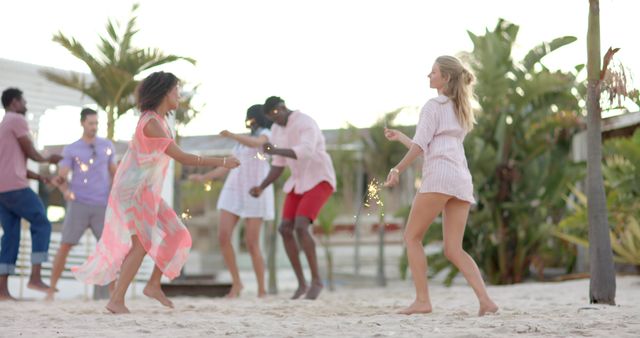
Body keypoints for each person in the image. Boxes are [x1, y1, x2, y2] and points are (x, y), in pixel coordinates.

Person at [71, 72, 240, 314]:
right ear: (164, 92)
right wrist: (222, 161)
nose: (179, 94)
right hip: (133, 190)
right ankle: (117, 299)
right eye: (176, 89)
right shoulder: (150, 122)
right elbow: (182, 156)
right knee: (142, 244)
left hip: (144, 191)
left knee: (177, 233)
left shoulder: (159, 121)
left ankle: (152, 284)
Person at [383, 55, 498, 316]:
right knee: (454, 248)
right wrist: (402, 138)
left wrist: (397, 169)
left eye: (433, 72)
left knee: (412, 237)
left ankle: (422, 301)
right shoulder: (460, 108)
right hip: (460, 178)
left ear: (445, 78)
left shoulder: (433, 105)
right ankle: (486, 301)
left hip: (439, 178)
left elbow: (423, 146)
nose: (429, 76)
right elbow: (430, 146)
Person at [250, 96, 336, 300]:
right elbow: (278, 164)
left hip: (320, 179)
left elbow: (305, 152)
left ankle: (317, 281)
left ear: (282, 107)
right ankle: (302, 283)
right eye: (270, 118)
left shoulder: (306, 122)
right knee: (284, 229)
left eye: (275, 114)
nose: (274, 120)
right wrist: (261, 187)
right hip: (298, 183)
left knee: (301, 226)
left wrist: (275, 149)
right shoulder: (277, 131)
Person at [189, 104, 274, 298]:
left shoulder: (266, 133)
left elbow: (256, 144)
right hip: (234, 188)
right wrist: (205, 178)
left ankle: (262, 289)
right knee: (223, 236)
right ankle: (237, 283)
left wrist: (232, 135)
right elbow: (229, 164)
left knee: (252, 242)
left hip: (255, 189)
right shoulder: (240, 143)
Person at [46, 108, 117, 301]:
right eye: (90, 123)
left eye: (96, 123)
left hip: (102, 205)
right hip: (78, 204)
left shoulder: (107, 145)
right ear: (82, 123)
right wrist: (65, 191)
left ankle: (114, 294)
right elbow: (61, 176)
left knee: (109, 249)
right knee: (65, 245)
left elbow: (115, 173)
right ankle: (51, 290)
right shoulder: (71, 149)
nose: (94, 127)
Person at [0, 87, 63, 300]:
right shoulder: (16, 119)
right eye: (23, 101)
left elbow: (11, 164)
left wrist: (39, 178)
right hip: (16, 187)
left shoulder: (3, 126)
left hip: (2, 190)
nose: (25, 105)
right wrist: (49, 158)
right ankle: (35, 277)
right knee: (42, 223)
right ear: (14, 103)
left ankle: (1, 291)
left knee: (10, 236)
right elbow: (32, 153)